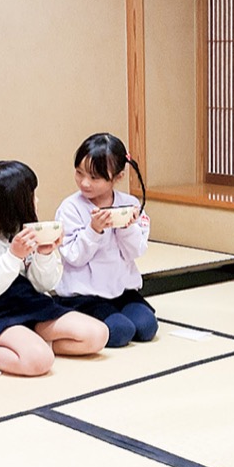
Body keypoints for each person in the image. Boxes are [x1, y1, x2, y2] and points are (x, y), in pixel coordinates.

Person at [0, 160, 107, 375]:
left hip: (29, 304)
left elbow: (44, 284)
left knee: (97, 335)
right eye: (32, 195)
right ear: (12, 203)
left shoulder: (22, 230)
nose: (36, 200)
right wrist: (13, 255)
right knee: (39, 362)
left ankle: (33, 342)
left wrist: (44, 254)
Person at [54, 133, 157, 347]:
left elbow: (135, 252)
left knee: (147, 327)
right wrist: (93, 230)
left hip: (122, 291)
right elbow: (74, 257)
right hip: (84, 294)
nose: (84, 183)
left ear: (117, 177)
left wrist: (127, 227)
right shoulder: (70, 208)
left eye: (94, 177)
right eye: (79, 173)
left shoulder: (129, 203)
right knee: (120, 332)